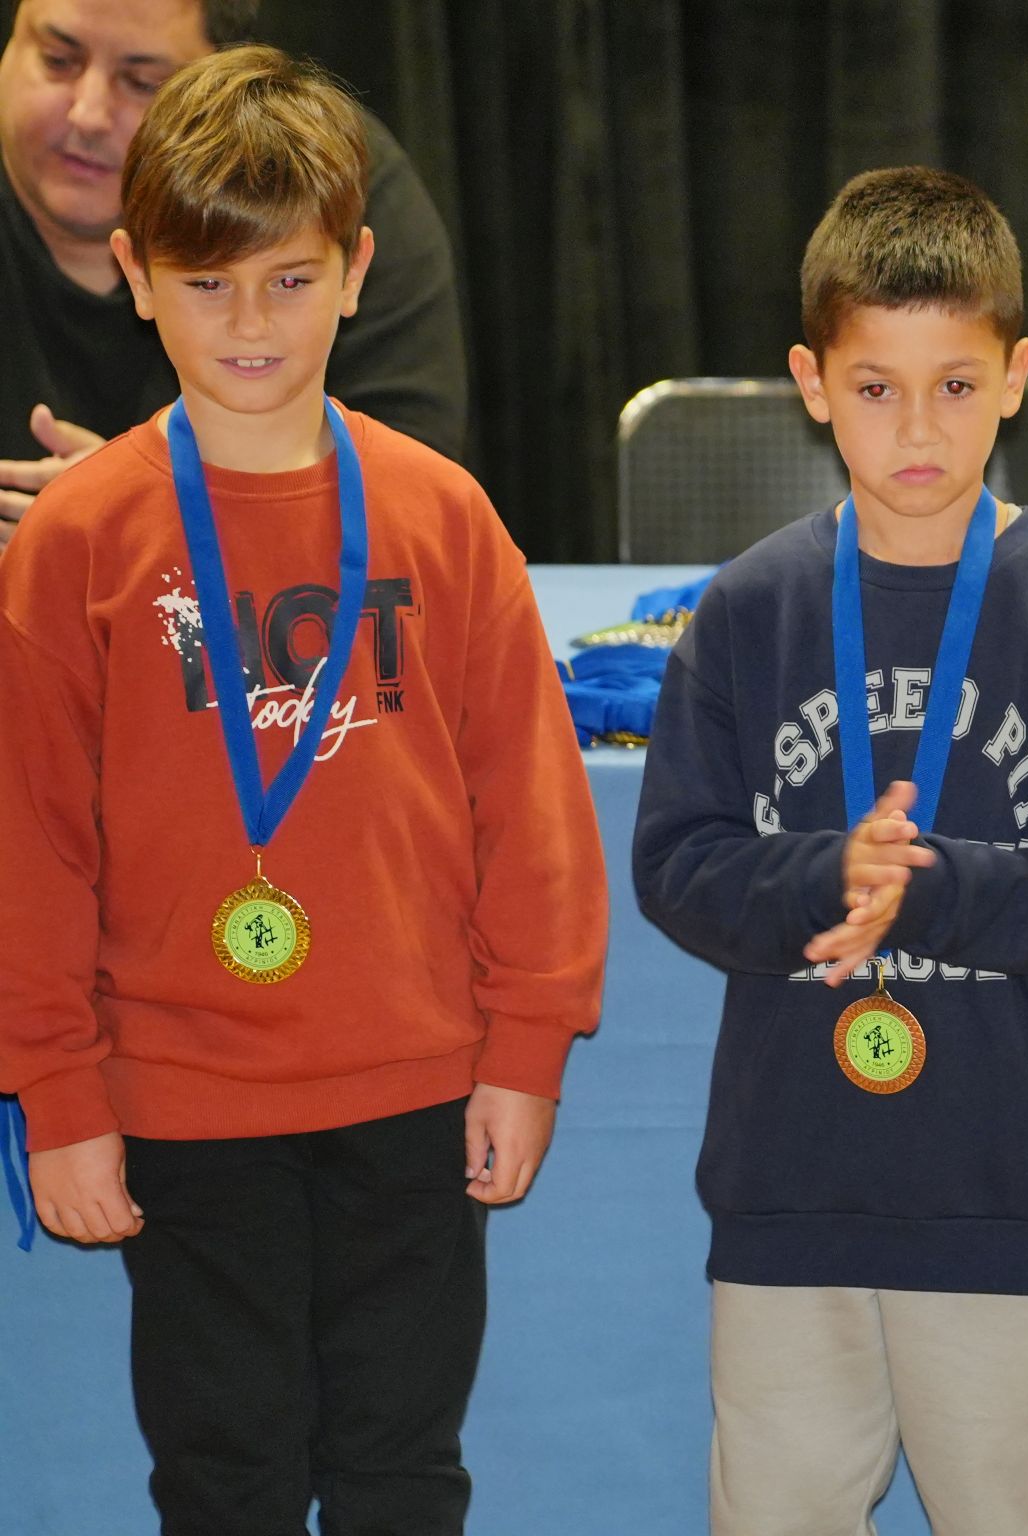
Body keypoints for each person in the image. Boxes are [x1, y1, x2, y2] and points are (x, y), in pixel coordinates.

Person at [0, 45, 602, 1535]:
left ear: (356, 274)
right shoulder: (78, 540)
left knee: (403, 1473)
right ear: (137, 279)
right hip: (182, 1098)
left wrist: (526, 1046)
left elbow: (530, 805)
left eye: (289, 280)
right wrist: (55, 1089)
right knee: (224, 1480)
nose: (251, 323)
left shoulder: (441, 515)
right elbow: (29, 843)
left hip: (413, 1086)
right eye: (208, 285)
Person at [632, 165, 1028, 1535]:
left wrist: (924, 887)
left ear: (1016, 379)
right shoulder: (747, 612)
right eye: (876, 387)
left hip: (1006, 1188)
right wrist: (827, 875)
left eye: (955, 384)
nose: (917, 426)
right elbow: (677, 865)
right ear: (812, 383)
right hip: (787, 1193)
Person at [0, 0, 466, 554]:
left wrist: (144, 521)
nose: (87, 113)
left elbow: (412, 498)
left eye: (143, 83)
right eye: (57, 60)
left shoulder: (315, 183)